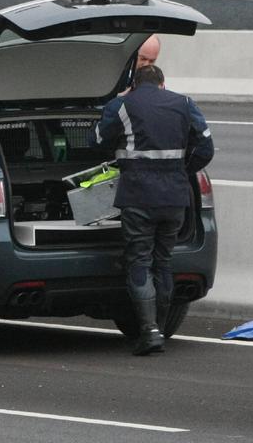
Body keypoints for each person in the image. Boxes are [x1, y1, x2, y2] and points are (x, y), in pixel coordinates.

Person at [93, 64, 213, 356]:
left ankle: (149, 331)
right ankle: (159, 327)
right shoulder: (184, 103)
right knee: (163, 260)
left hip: (138, 197)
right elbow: (206, 148)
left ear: (134, 85)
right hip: (174, 198)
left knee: (140, 261)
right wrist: (181, 172)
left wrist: (117, 101)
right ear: (163, 83)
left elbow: (96, 140)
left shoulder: (123, 104)